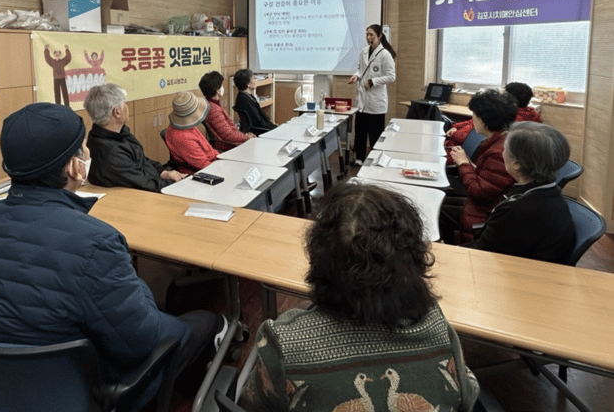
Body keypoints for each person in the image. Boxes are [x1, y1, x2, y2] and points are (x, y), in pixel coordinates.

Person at [0, 103, 227, 410]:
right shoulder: (96, 241)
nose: (87, 154)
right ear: (73, 167)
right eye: (83, 148)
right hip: (83, 388)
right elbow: (141, 342)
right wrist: (141, 293)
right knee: (207, 322)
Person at [239, 182, 479, 412]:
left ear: (318, 262)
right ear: (413, 259)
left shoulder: (285, 341)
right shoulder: (436, 326)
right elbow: (467, 398)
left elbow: (252, 405)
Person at [468, 122, 576, 263]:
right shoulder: (549, 192)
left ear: (516, 163)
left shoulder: (518, 209)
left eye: (505, 149)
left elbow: (479, 255)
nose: (502, 153)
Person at [439, 89, 518, 244]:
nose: (472, 119)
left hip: (485, 213)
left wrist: (463, 163)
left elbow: (479, 193)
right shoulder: (501, 139)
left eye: (474, 115)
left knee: (437, 211)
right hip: (486, 205)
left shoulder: (499, 152)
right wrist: (470, 165)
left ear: (483, 120)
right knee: (440, 201)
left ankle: (449, 251)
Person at [84, 83, 183, 191]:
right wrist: (177, 183)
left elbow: (141, 159)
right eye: (124, 103)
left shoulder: (116, 133)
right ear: (117, 112)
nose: (127, 106)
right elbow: (146, 186)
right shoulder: (111, 152)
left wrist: (163, 172)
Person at [445, 82, 542, 154]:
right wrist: (457, 126)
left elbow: (474, 132)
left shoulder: (511, 120)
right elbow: (473, 122)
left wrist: (455, 133)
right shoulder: (530, 112)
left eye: (504, 95)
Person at [348, 24, 396, 164]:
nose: (368, 38)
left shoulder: (385, 55)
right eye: (367, 35)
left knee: (375, 135)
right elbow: (360, 69)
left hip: (376, 102)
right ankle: (359, 158)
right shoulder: (363, 51)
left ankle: (375, 161)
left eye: (371, 35)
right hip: (362, 100)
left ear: (379, 36)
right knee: (360, 132)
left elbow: (391, 76)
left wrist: (373, 81)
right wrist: (356, 76)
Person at [164, 91, 219, 174]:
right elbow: (203, 165)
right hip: (199, 172)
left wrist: (219, 157)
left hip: (211, 162)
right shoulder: (182, 136)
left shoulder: (188, 126)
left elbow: (207, 147)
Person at [199, 71, 255, 151]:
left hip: (234, 143)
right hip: (229, 146)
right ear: (217, 90)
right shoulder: (213, 110)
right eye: (221, 85)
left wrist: (244, 136)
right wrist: (246, 137)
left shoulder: (214, 104)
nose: (223, 88)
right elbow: (228, 135)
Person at [233, 69, 277, 135]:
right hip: (258, 130)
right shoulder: (244, 100)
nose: (255, 80)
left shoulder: (245, 96)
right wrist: (274, 128)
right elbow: (258, 121)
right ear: (247, 84)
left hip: (260, 128)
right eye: (253, 78)